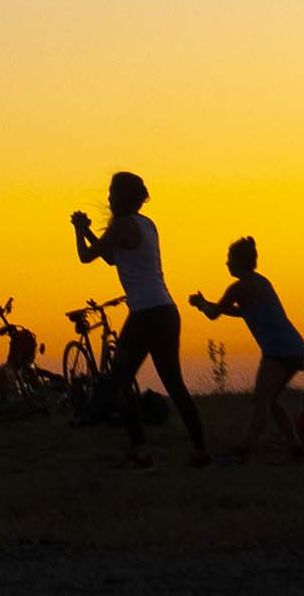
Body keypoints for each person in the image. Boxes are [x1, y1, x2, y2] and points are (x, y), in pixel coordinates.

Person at [73, 173, 207, 468]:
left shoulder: (121, 225)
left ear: (121, 197)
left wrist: (79, 231)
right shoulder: (147, 224)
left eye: (111, 193)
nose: (108, 198)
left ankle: (140, 450)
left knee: (120, 382)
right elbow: (112, 256)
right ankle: (200, 449)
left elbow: (86, 256)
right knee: (174, 384)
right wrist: (90, 232)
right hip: (166, 310)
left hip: (145, 314)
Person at [189, 237, 304, 460]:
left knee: (261, 401)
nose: (227, 263)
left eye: (230, 259)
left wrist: (201, 305)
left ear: (240, 261)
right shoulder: (261, 282)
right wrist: (209, 304)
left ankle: (245, 450)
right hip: (295, 348)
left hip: (278, 351)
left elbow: (214, 314)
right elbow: (242, 311)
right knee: (270, 401)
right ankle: (296, 448)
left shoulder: (238, 288)